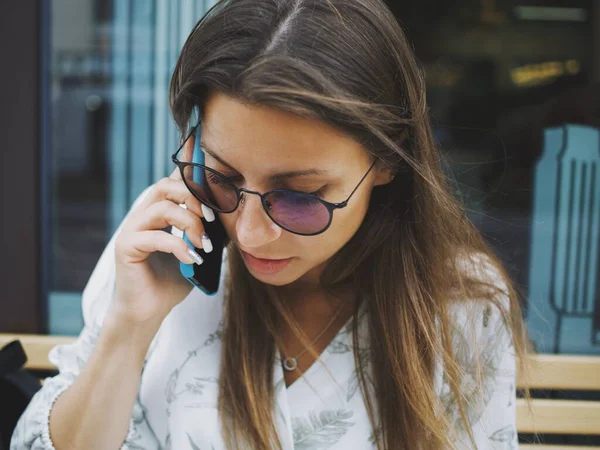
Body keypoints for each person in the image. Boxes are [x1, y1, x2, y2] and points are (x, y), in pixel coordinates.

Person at [11, 0, 526, 448]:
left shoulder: (460, 303)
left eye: (300, 196)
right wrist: (128, 330)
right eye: (222, 177)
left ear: (389, 160)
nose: (250, 233)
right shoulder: (161, 242)